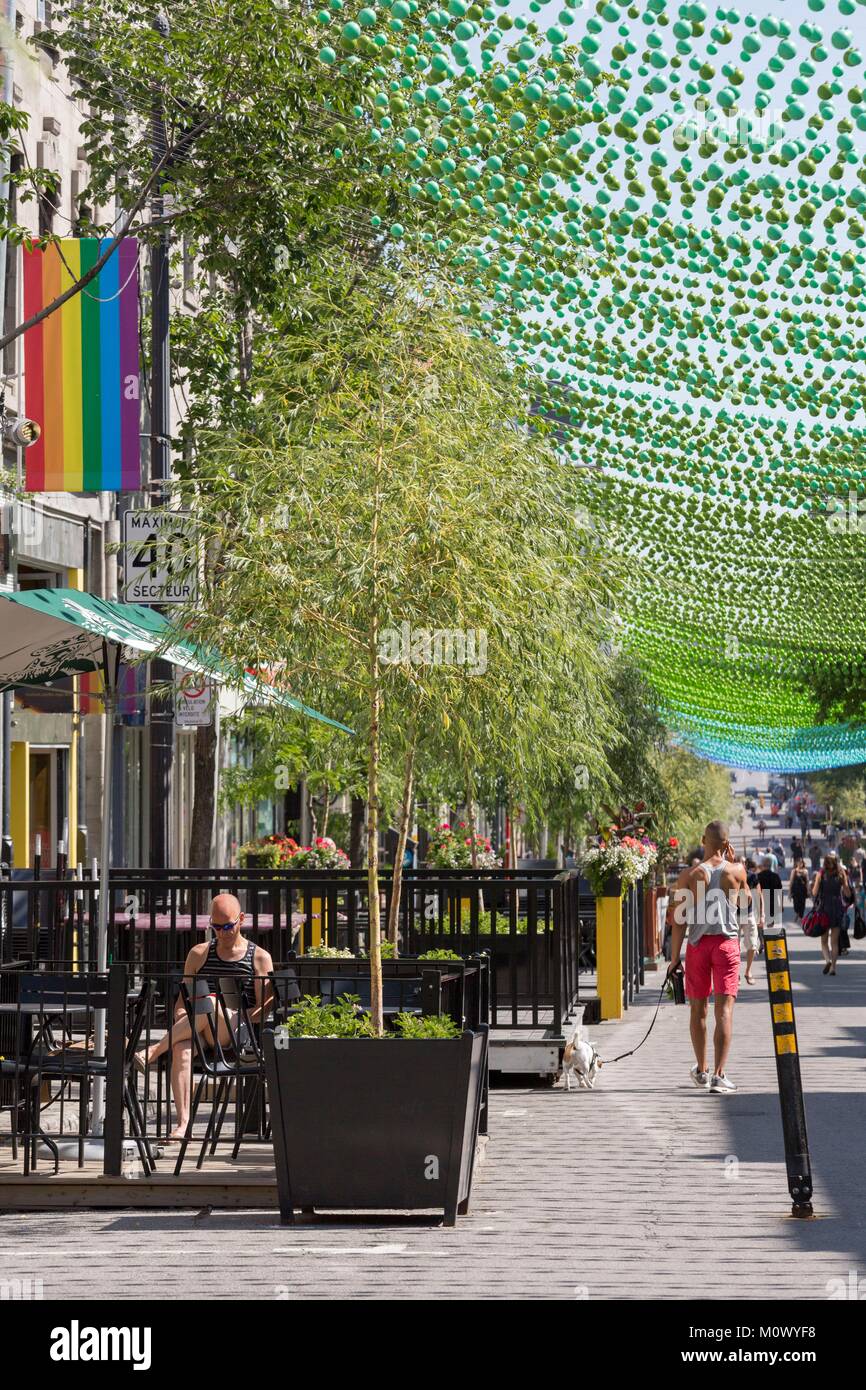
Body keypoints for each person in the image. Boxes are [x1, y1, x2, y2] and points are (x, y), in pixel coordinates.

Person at [135, 894, 274, 1141]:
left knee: (211, 1003)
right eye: (216, 927)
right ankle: (183, 1123)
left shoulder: (258, 957)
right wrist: (180, 1013)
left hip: (237, 1032)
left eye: (228, 926)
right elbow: (182, 1000)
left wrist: (233, 1013)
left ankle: (154, 1051)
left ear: (241, 920)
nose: (221, 933)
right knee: (181, 1048)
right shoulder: (199, 954)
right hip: (201, 1029)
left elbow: (264, 1009)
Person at [667, 819, 750, 1095]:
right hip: (726, 945)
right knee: (723, 1011)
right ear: (727, 845)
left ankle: (702, 1071)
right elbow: (748, 904)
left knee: (697, 1010)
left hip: (697, 946)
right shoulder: (737, 871)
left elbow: (678, 921)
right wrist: (736, 865)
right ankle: (719, 1075)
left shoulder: (689, 876)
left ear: (703, 841)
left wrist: (674, 957)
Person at [811, 854, 849, 977]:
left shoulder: (821, 874)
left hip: (824, 909)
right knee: (834, 942)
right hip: (837, 908)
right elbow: (847, 892)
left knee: (824, 941)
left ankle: (827, 961)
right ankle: (833, 967)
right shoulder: (841, 873)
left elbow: (814, 892)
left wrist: (817, 882)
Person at [757, 854, 783, 940]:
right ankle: (769, 941)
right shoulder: (776, 876)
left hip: (761, 904)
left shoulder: (758, 876)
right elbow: (779, 892)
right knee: (770, 925)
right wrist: (781, 905)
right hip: (773, 904)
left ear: (762, 865)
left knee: (760, 924)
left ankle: (762, 941)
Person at [789, 858, 810, 926]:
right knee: (796, 904)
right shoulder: (794, 871)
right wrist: (789, 892)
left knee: (802, 904)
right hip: (795, 890)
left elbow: (807, 882)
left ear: (803, 863)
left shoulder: (805, 871)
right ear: (796, 863)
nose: (800, 864)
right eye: (799, 862)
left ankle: (800, 917)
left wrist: (808, 891)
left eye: (801, 862)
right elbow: (791, 881)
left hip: (803, 890)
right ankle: (797, 914)